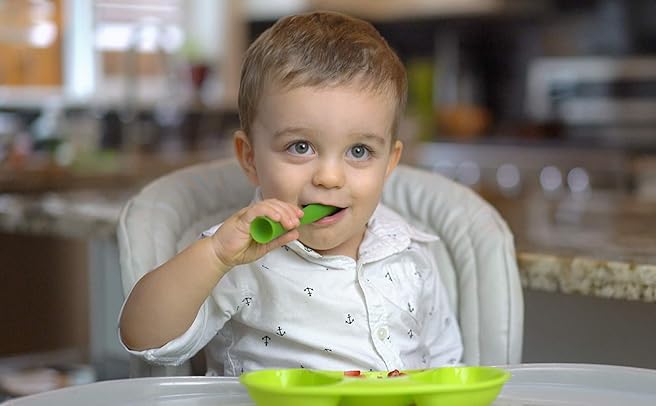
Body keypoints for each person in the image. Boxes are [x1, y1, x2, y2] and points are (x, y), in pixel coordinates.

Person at [119, 10, 463, 377]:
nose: (330, 178)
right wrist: (214, 255)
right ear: (249, 158)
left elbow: (446, 366)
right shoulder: (238, 256)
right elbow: (145, 339)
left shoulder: (409, 251)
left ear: (389, 163)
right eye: (300, 147)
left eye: (359, 151)